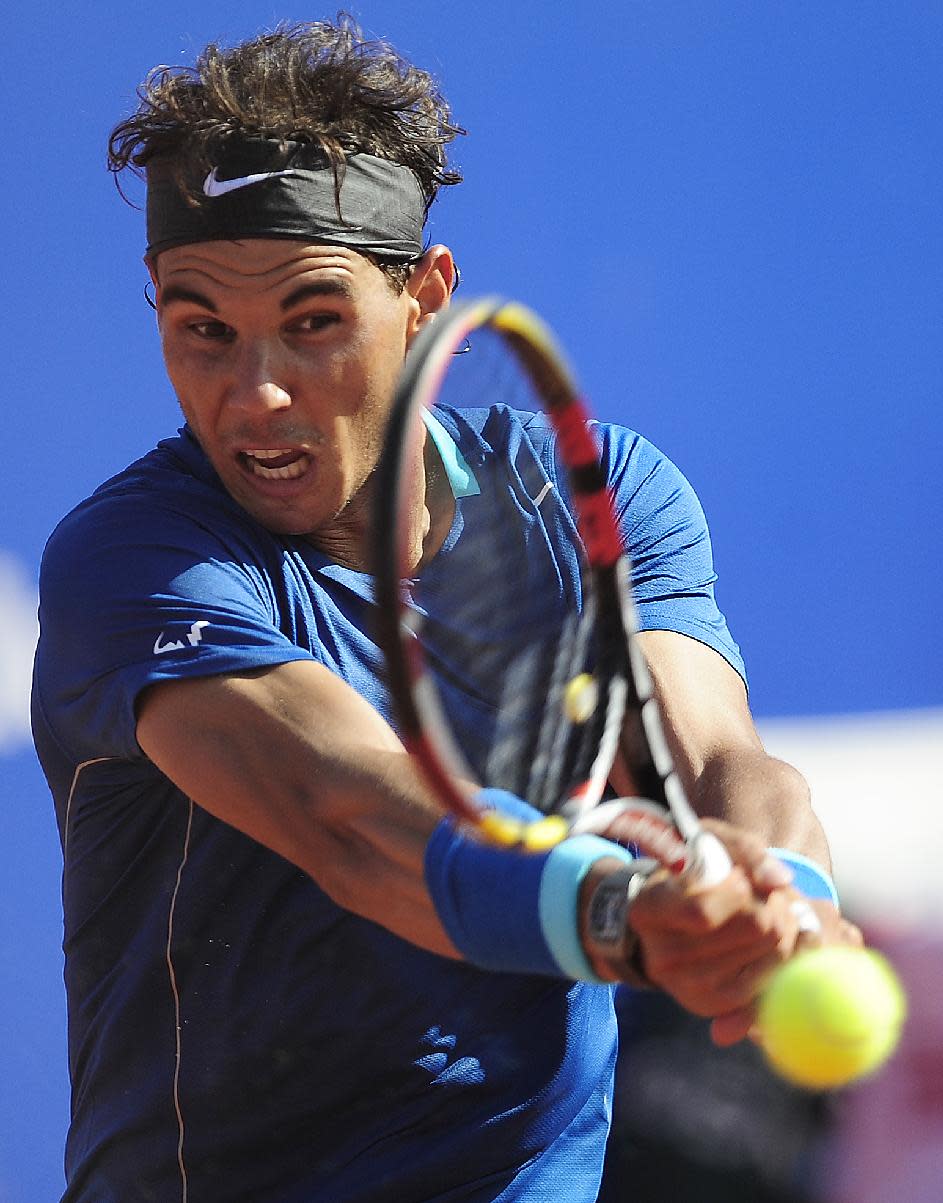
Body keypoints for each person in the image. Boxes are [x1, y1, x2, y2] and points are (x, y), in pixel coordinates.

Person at [32, 18, 859, 1203]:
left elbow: (720, 759)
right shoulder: (134, 561)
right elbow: (351, 817)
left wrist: (783, 896)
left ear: (422, 297)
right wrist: (625, 913)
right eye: (201, 331)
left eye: (314, 322)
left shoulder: (596, 493)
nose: (253, 391)